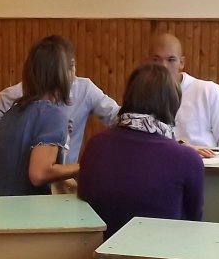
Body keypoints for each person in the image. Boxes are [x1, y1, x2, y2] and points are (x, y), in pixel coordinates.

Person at [78, 64, 204, 237]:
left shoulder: (95, 145)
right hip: (161, 252)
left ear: (129, 97)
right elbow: (194, 223)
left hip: (98, 251)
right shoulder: (188, 160)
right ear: (172, 104)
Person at [0, 37, 118, 165]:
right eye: (67, 68)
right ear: (50, 70)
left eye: (73, 65)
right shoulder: (12, 97)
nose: (72, 74)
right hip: (25, 187)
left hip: (60, 182)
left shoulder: (84, 89)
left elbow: (118, 116)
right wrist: (2, 158)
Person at [0, 36, 80, 197]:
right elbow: (39, 174)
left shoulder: (12, 112)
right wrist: (81, 168)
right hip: (21, 210)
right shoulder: (53, 116)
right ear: (63, 74)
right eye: (72, 67)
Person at [148, 32, 219, 155]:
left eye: (171, 60)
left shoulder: (209, 91)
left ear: (181, 63)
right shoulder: (142, 97)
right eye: (156, 60)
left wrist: (213, 161)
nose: (163, 66)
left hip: (207, 163)